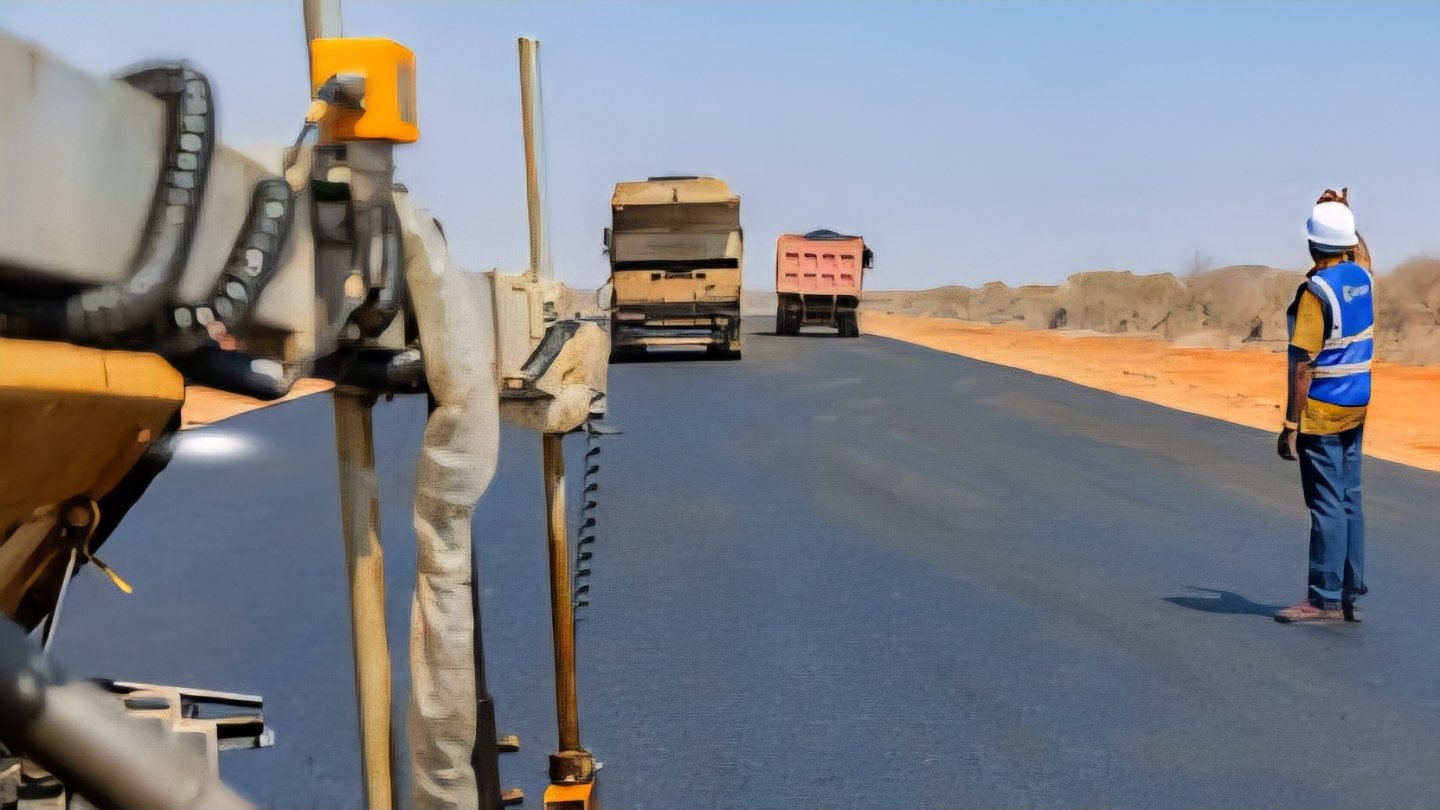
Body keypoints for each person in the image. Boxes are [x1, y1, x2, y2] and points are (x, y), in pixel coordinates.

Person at [1275, 188, 1374, 624]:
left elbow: (1302, 365)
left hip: (1323, 411)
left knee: (1327, 504)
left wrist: (1290, 424)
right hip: (1357, 406)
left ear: (1312, 244)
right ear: (1350, 242)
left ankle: (1324, 599)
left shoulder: (1315, 293)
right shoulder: (1362, 278)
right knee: (1349, 498)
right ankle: (1349, 590)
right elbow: (1362, 256)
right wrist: (1345, 215)